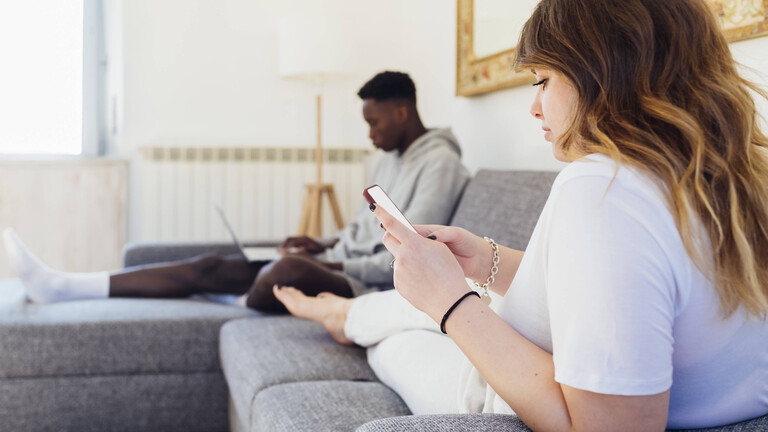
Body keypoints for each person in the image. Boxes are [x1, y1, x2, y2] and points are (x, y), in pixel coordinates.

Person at [271, 0, 768, 429]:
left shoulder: (604, 187)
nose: (534, 106)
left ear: (605, 72)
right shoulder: (735, 173)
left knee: (398, 337)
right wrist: (485, 258)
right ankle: (349, 312)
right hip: (533, 349)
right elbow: (625, 289)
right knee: (429, 299)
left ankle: (343, 316)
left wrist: (448, 302)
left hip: (497, 390)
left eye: (543, 80)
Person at [3, 71, 470, 311]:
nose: (369, 133)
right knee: (212, 263)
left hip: (366, 285)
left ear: (402, 113)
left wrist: (323, 263)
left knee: (284, 266)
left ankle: (234, 289)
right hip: (341, 262)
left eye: (374, 121)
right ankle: (63, 286)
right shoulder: (387, 159)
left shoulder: (442, 165)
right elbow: (360, 230)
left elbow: (405, 256)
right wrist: (323, 243)